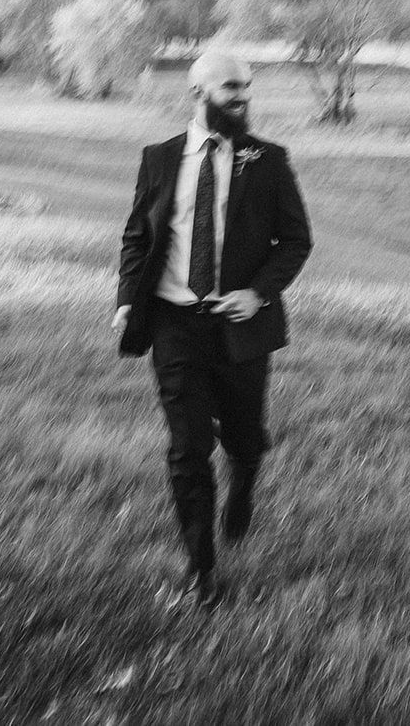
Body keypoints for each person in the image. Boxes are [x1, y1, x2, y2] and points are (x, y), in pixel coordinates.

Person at [113, 52, 312, 609]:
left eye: (247, 86)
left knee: (245, 438)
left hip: (240, 326)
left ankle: (243, 481)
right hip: (175, 325)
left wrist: (259, 293)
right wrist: (128, 300)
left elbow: (296, 240)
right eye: (231, 87)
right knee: (187, 448)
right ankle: (201, 568)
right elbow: (138, 238)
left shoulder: (267, 160)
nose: (243, 96)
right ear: (198, 91)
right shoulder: (158, 159)